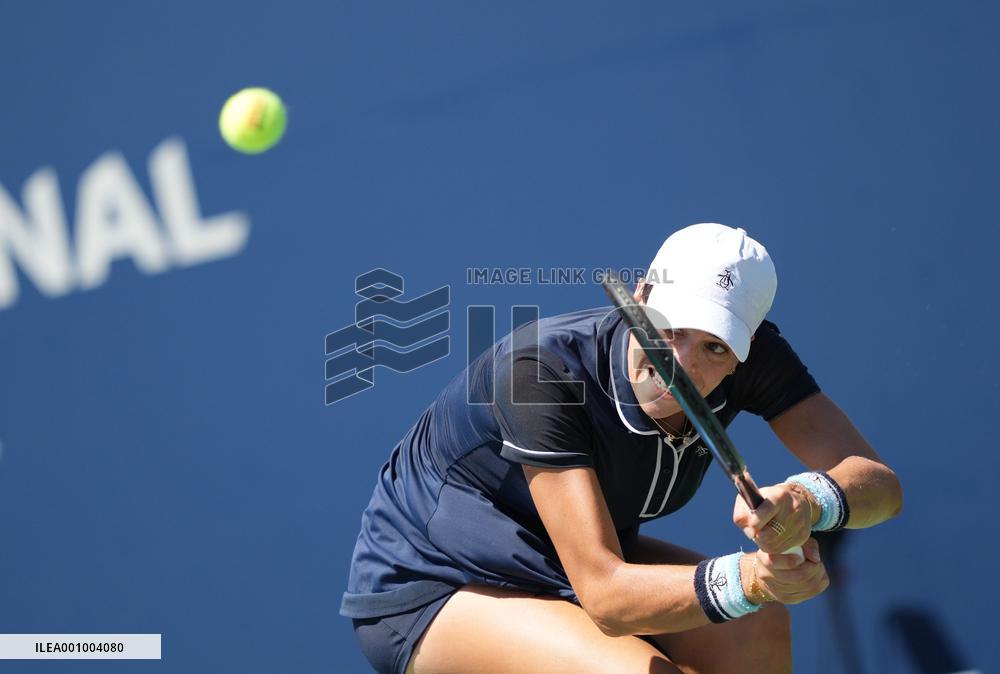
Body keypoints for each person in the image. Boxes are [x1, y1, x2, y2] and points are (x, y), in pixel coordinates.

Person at [340, 223, 903, 674]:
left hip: (564, 563)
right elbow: (607, 595)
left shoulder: (756, 360)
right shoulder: (539, 373)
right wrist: (751, 577)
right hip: (435, 583)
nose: (680, 363)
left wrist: (808, 499)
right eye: (670, 328)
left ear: (747, 348)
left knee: (756, 626)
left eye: (713, 346)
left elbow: (879, 486)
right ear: (641, 298)